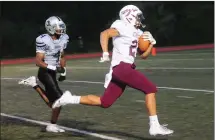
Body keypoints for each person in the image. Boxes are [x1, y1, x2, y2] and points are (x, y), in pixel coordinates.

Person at [52, 5, 174, 136]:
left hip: (122, 70)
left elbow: (143, 56)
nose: (140, 19)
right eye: (138, 16)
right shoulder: (122, 25)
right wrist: (105, 52)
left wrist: (151, 44)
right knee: (150, 89)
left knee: (105, 102)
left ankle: (69, 98)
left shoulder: (138, 33)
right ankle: (154, 126)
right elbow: (104, 34)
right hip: (122, 67)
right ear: (129, 16)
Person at [18, 16, 69, 133]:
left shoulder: (64, 38)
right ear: (50, 28)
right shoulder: (43, 39)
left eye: (61, 26)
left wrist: (63, 70)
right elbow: (38, 61)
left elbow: (62, 55)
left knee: (54, 104)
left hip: (53, 72)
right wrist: (53, 68)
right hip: (45, 72)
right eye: (57, 27)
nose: (60, 29)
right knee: (60, 99)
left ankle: (34, 84)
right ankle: (51, 125)